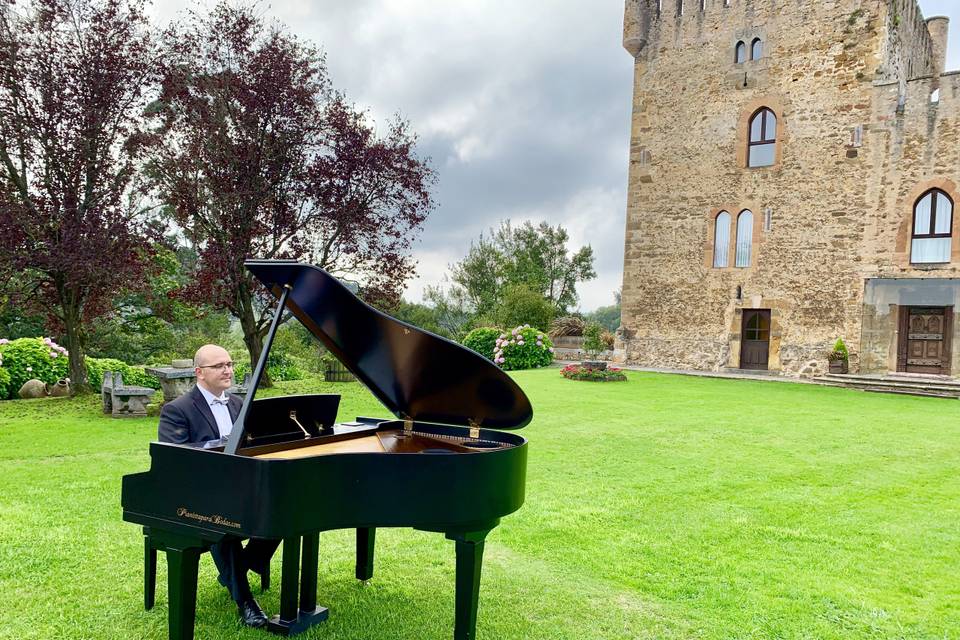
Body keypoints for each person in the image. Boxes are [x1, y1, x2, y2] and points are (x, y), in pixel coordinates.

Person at [157, 344, 279, 629]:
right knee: (225, 521)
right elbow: (176, 462)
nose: (228, 370)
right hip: (197, 493)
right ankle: (245, 601)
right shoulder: (177, 410)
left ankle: (242, 568)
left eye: (230, 364)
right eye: (219, 366)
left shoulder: (238, 403)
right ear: (199, 373)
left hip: (239, 486)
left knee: (284, 507)